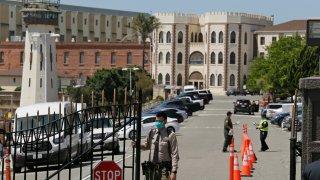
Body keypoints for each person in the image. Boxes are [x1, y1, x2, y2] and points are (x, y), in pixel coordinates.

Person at [132, 111, 179, 180]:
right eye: (156, 121)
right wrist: (137, 145)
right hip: (151, 167)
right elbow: (146, 146)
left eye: (160, 121)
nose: (158, 123)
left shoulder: (170, 135)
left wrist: (174, 171)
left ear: (165, 121)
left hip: (164, 168)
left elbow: (175, 154)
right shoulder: (152, 132)